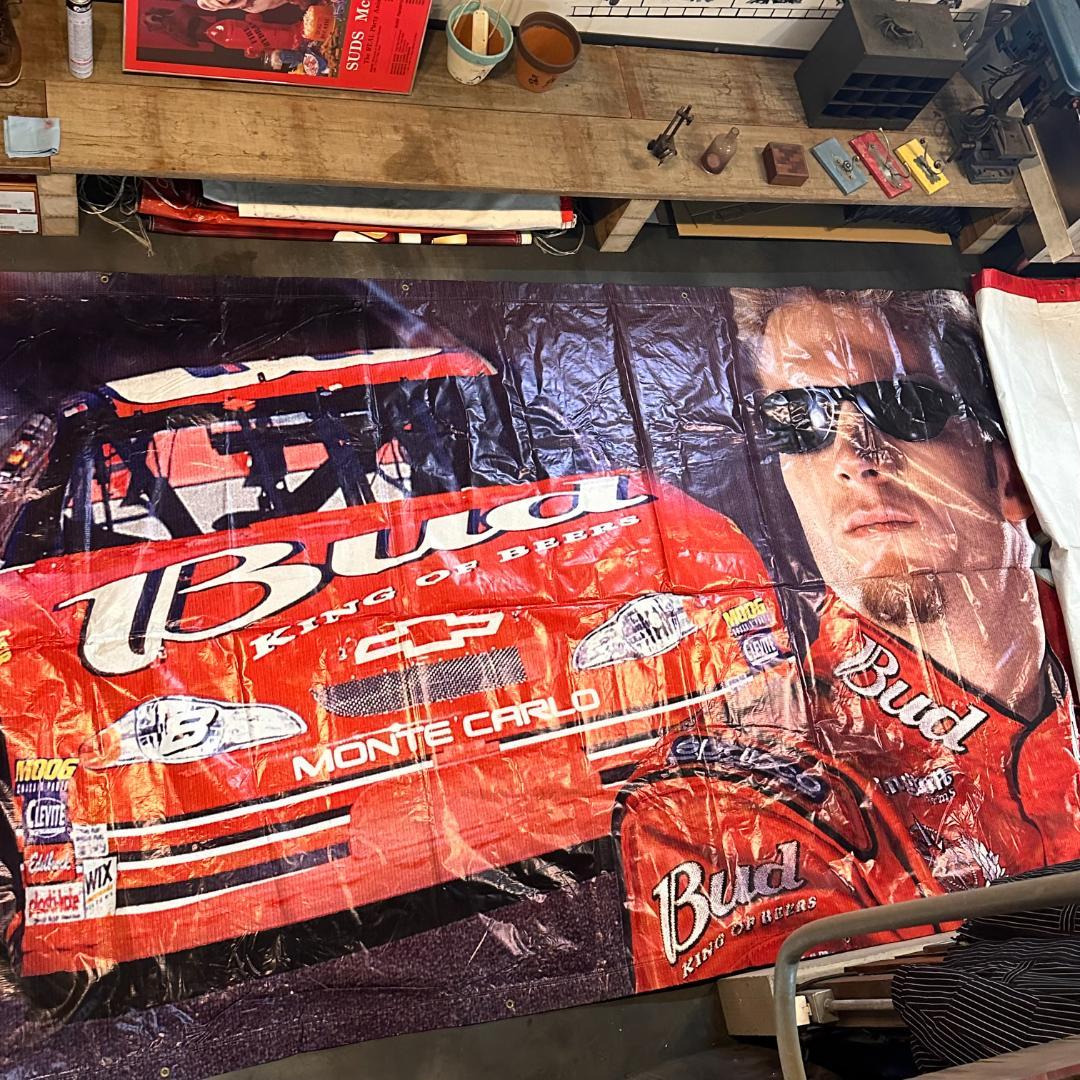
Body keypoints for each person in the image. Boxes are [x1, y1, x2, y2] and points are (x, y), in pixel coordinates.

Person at [729, 287, 1080, 892]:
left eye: (903, 406)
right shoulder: (759, 779)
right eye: (799, 423)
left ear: (1011, 474)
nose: (853, 457)